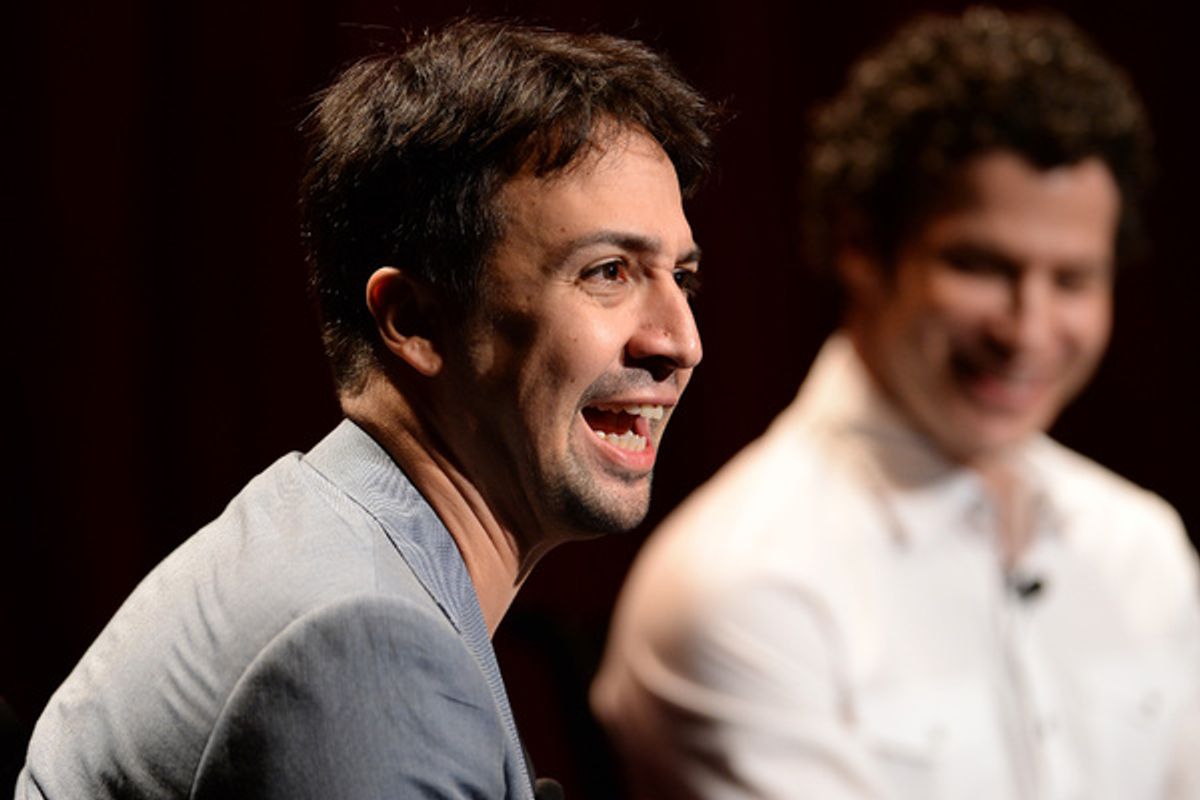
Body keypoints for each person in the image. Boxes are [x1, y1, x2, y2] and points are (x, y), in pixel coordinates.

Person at [16, 19, 714, 800]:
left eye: (680, 278)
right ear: (414, 321)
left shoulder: (337, 549)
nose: (679, 342)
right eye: (609, 271)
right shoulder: (365, 648)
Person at [592, 8, 1200, 799]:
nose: (1030, 329)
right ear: (861, 248)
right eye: (982, 265)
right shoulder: (744, 581)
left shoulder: (1142, 548)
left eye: (1073, 279)